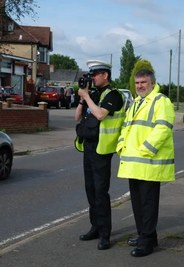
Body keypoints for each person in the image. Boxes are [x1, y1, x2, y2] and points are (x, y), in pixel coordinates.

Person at [116, 69, 175, 257]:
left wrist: (146, 149)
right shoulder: (136, 103)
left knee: (148, 206)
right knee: (138, 205)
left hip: (149, 162)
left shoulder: (161, 101)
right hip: (134, 163)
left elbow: (163, 128)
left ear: (152, 83)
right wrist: (120, 145)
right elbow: (126, 126)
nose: (140, 86)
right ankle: (146, 235)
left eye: (143, 82)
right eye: (137, 83)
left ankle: (146, 243)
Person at [75, 60, 125, 250]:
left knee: (101, 193)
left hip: (102, 150)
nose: (92, 78)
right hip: (88, 148)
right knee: (91, 191)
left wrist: (87, 97)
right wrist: (82, 98)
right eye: (91, 74)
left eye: (95, 74)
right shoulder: (93, 94)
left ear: (105, 75)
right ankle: (95, 227)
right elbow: (77, 117)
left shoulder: (113, 95)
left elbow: (100, 115)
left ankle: (105, 234)